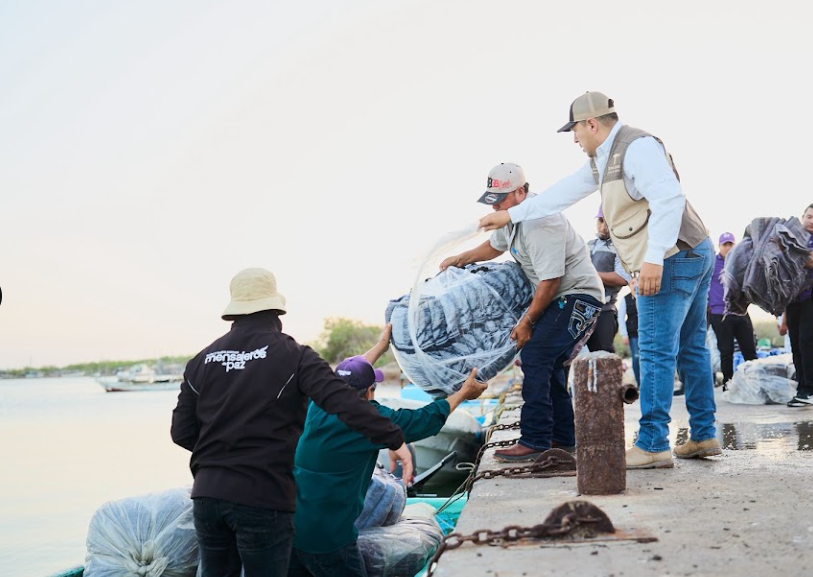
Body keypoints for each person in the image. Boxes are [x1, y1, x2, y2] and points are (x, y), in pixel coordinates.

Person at [478, 92, 722, 468]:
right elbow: (560, 195)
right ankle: (704, 434)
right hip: (693, 249)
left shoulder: (636, 146)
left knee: (657, 350)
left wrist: (653, 259)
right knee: (691, 347)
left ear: (591, 124)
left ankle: (654, 443)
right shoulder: (604, 159)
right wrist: (510, 217)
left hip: (672, 256)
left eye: (575, 130)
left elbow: (669, 198)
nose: (574, 139)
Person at [170, 268, 414, 577]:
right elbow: (344, 401)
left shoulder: (202, 360)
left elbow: (181, 431)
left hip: (208, 496)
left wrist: (223, 457)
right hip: (263, 496)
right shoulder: (294, 356)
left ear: (234, 313)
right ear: (276, 311)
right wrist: (393, 438)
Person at [289, 324, 487, 577]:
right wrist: (463, 393)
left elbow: (348, 377)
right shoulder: (366, 420)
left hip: (292, 530)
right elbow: (422, 420)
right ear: (370, 392)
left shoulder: (318, 404)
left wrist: (382, 346)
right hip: (329, 540)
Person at [441, 162, 604, 462]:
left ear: (520, 192)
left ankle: (535, 440)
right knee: (550, 363)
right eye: (492, 199)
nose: (497, 206)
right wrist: (460, 258)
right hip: (559, 296)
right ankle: (563, 437)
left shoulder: (540, 221)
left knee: (535, 356)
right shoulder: (513, 218)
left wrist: (527, 321)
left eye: (501, 199)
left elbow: (550, 280)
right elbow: (493, 246)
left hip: (578, 297)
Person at [781, 203, 813, 407]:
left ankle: (809, 391)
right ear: (803, 217)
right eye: (809, 217)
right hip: (794, 297)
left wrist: (784, 250)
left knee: (805, 339)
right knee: (795, 344)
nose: (812, 221)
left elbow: (810, 261)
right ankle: (802, 389)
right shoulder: (796, 237)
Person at [706, 232, 757, 392]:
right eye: (725, 245)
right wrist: (707, 302)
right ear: (720, 246)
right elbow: (703, 283)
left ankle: (755, 382)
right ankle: (728, 384)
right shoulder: (712, 262)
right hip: (720, 313)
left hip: (740, 311)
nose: (728, 248)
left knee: (749, 349)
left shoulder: (740, 262)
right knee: (726, 351)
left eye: (730, 244)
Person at [586, 206, 630, 353]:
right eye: (600, 221)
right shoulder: (588, 245)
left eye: (608, 222)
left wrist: (590, 274)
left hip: (604, 311)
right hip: (581, 310)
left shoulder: (621, 247)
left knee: (603, 358)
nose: (604, 227)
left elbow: (622, 278)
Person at [617, 281, 640, 385]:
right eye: (632, 283)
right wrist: (624, 334)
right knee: (636, 358)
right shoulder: (625, 299)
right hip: (633, 333)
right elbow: (620, 318)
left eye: (637, 282)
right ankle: (639, 382)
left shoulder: (644, 298)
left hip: (646, 333)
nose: (635, 285)